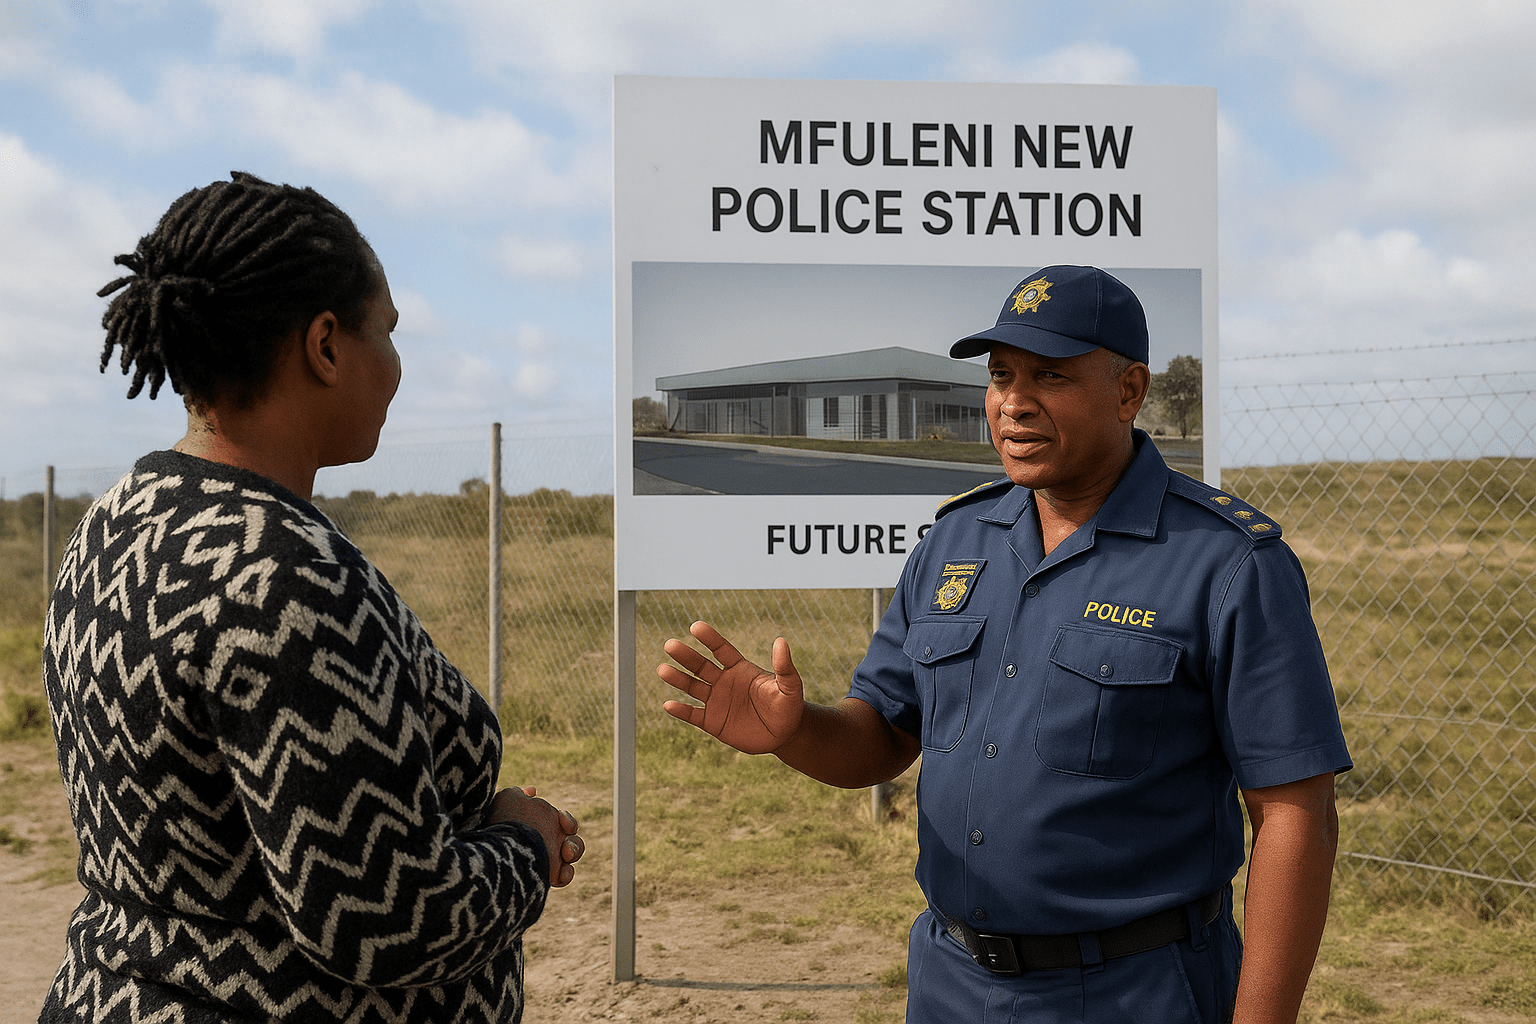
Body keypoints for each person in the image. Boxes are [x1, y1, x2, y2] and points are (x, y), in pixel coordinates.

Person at [658, 265, 1351, 1024]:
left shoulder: (1227, 564)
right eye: (999, 375)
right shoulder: (956, 540)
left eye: (1050, 376)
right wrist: (796, 732)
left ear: (1129, 391)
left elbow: (1295, 811)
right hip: (952, 984)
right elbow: (883, 733)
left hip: (1135, 993)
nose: (1013, 403)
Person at [40, 172, 583, 1024]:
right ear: (326, 346)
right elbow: (390, 924)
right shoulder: (285, 578)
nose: (398, 367)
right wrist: (524, 841)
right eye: (389, 333)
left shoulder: (115, 522)